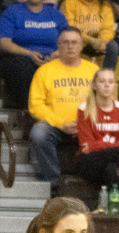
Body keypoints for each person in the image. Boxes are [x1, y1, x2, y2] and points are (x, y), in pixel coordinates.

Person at [27, 29, 100, 188]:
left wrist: (84, 124)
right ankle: (52, 184)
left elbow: (105, 102)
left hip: (88, 124)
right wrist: (60, 123)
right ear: (58, 46)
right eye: (65, 42)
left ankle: (98, 185)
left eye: (74, 42)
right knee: (38, 133)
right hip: (56, 126)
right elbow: (35, 106)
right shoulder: (44, 71)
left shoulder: (94, 71)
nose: (70, 46)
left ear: (81, 46)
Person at [0, 0, 68, 109]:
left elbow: (69, 41)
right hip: (18, 58)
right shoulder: (12, 12)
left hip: (52, 59)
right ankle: (29, 112)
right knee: (23, 66)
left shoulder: (56, 15)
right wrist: (28, 53)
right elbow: (4, 42)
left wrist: (54, 56)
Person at [72, 67, 119, 209]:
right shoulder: (84, 109)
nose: (107, 85)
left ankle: (116, 212)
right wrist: (114, 146)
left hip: (113, 162)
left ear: (115, 85)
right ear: (95, 85)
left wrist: (99, 144)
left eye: (110, 81)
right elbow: (86, 146)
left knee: (113, 170)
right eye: (102, 81)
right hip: (90, 163)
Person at [59, 0, 118, 70]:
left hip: (97, 43)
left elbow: (108, 28)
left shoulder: (105, 6)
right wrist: (90, 40)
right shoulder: (71, 1)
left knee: (113, 46)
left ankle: (107, 77)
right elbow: (70, 27)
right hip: (77, 41)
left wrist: (102, 41)